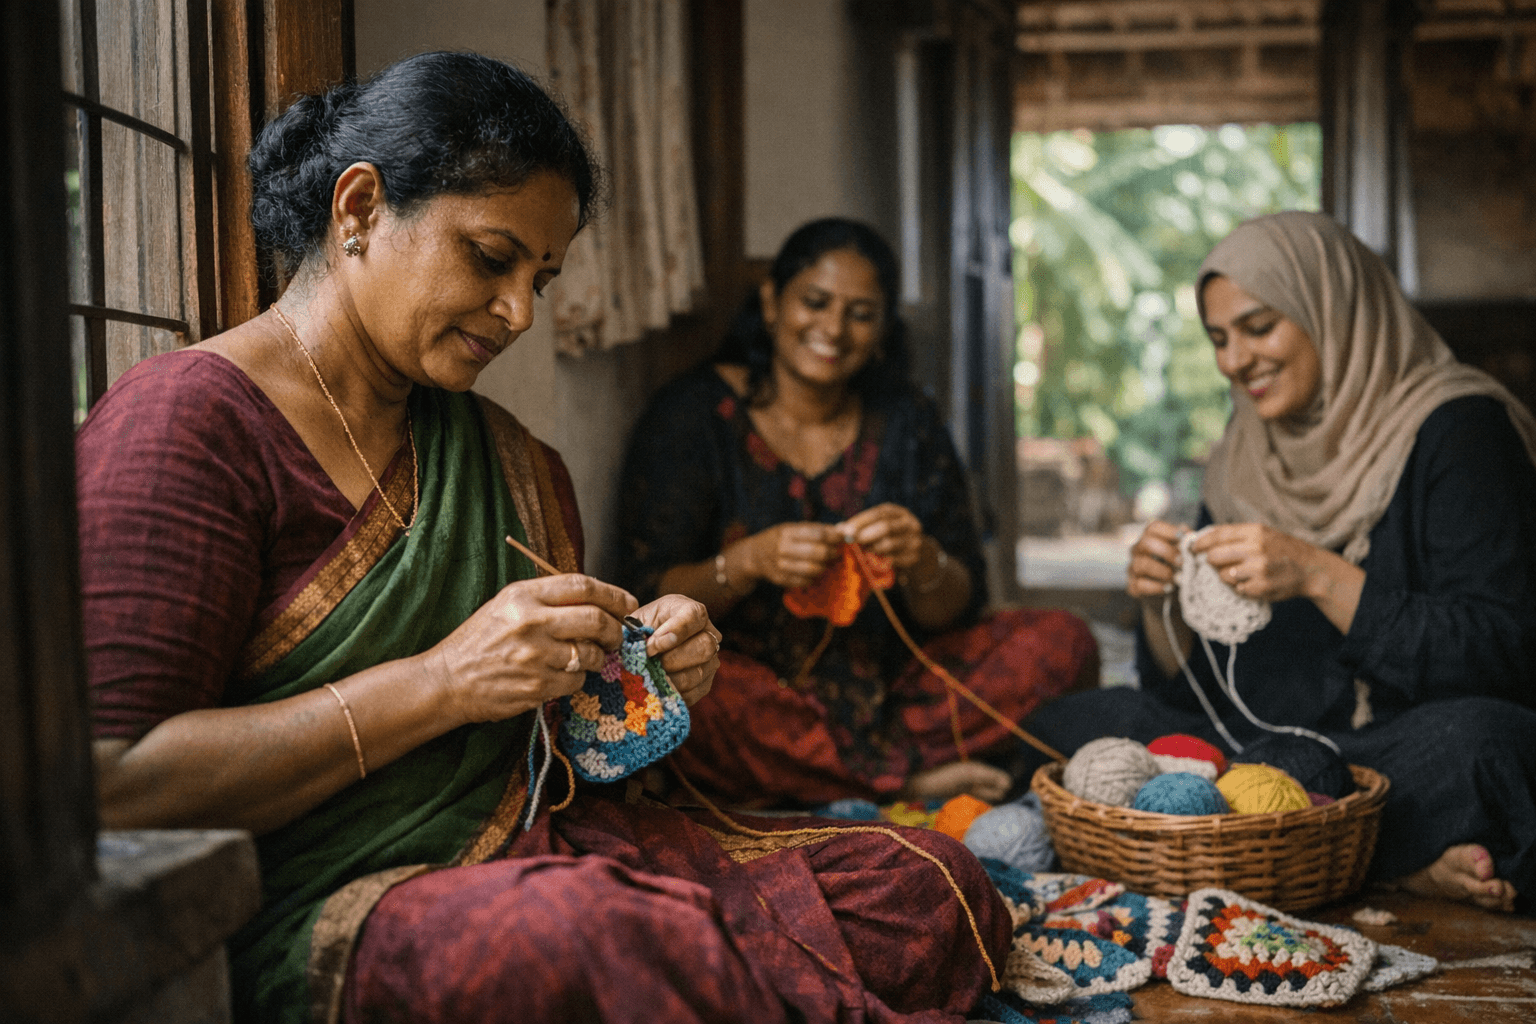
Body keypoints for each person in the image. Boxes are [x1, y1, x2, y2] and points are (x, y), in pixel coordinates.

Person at [77, 54, 1010, 1024]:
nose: (520, 312)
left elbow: (557, 758)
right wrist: (442, 681)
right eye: (491, 258)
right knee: (600, 940)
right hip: (338, 902)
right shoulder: (188, 423)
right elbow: (111, 787)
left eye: (542, 279)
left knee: (930, 883)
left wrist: (641, 672)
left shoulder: (510, 460)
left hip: (546, 851)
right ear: (358, 210)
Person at [1018, 211, 1536, 913]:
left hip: (1389, 752)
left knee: (1490, 749)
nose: (1234, 362)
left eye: (1258, 328)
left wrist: (1319, 575)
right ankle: (1374, 854)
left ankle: (1286, 843)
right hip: (1256, 749)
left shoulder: (1459, 431)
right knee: (1070, 725)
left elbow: (1505, 653)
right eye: (1219, 340)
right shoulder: (1247, 451)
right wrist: (1160, 603)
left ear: (1334, 311)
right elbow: (1195, 695)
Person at [614, 218, 1099, 808]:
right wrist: (745, 563)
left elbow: (959, 606)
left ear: (883, 328)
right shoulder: (692, 415)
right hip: (755, 690)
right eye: (815, 302)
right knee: (678, 688)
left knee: (1064, 642)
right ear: (771, 302)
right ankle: (911, 784)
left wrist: (921, 558)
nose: (834, 330)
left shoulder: (907, 419)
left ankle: (821, 778)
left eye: (861, 314)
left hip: (897, 692)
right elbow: (643, 605)